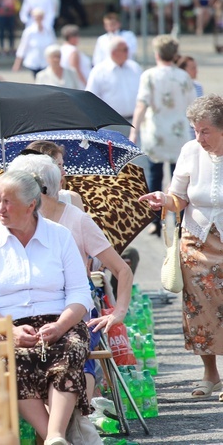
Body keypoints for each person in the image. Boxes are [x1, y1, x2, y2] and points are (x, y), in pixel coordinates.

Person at [0, 170, 93, 444]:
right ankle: (54, 438)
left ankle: (55, 435)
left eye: (7, 201)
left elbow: (80, 293)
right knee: (10, 358)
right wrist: (9, 330)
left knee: (70, 350)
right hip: (5, 322)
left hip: (59, 320)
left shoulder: (59, 236)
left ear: (31, 205)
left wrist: (60, 326)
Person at [7, 154, 134, 397]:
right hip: (28, 311)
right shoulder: (16, 223)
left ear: (36, 190)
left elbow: (122, 269)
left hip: (76, 309)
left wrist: (118, 312)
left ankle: (76, 419)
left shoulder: (76, 220)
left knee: (74, 350)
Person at [139, 95, 223, 398]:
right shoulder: (190, 150)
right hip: (196, 241)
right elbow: (178, 198)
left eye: (205, 131)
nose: (198, 137)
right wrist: (164, 199)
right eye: (195, 130)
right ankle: (210, 374)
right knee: (199, 310)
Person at [130, 35, 196, 234]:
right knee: (182, 179)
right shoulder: (183, 76)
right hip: (178, 133)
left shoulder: (149, 75)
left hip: (155, 132)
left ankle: (155, 221)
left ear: (156, 53)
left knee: (154, 175)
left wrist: (134, 130)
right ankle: (181, 220)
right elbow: (193, 104)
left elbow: (142, 104)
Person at [85, 37, 142, 136]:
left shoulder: (135, 68)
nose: (128, 52)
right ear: (114, 52)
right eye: (125, 50)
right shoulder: (99, 71)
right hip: (111, 125)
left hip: (135, 123)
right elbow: (90, 98)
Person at [12, 8, 56, 77]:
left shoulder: (49, 30)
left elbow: (54, 45)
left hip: (46, 62)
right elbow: (22, 48)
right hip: (34, 62)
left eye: (40, 17)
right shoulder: (29, 31)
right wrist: (17, 63)